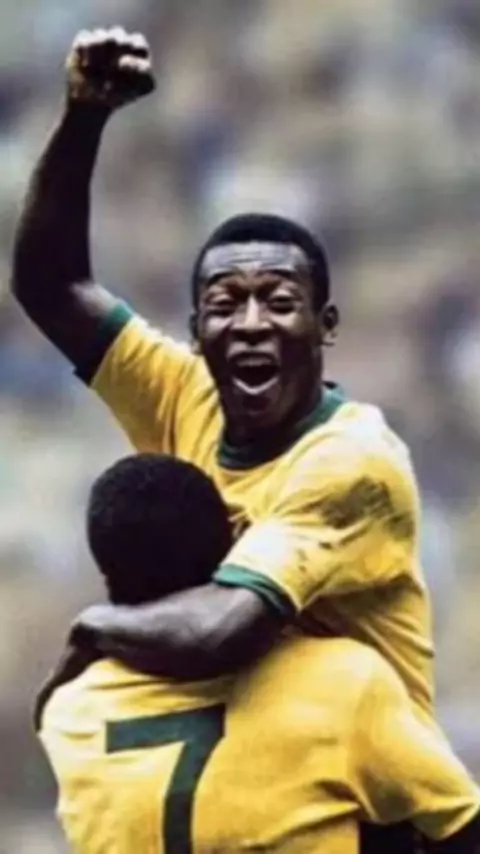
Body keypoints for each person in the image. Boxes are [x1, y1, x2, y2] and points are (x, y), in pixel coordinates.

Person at [14, 28, 432, 713]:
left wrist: (95, 627)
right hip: (241, 759)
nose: (251, 322)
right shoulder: (184, 393)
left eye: (280, 302)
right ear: (196, 331)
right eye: (225, 304)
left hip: (363, 773)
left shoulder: (352, 463)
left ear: (325, 325)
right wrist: (84, 116)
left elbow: (223, 631)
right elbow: (51, 286)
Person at [36, 453, 480, 854]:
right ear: (235, 549)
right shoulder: (342, 683)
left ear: (106, 573)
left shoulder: (69, 715)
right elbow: (462, 826)